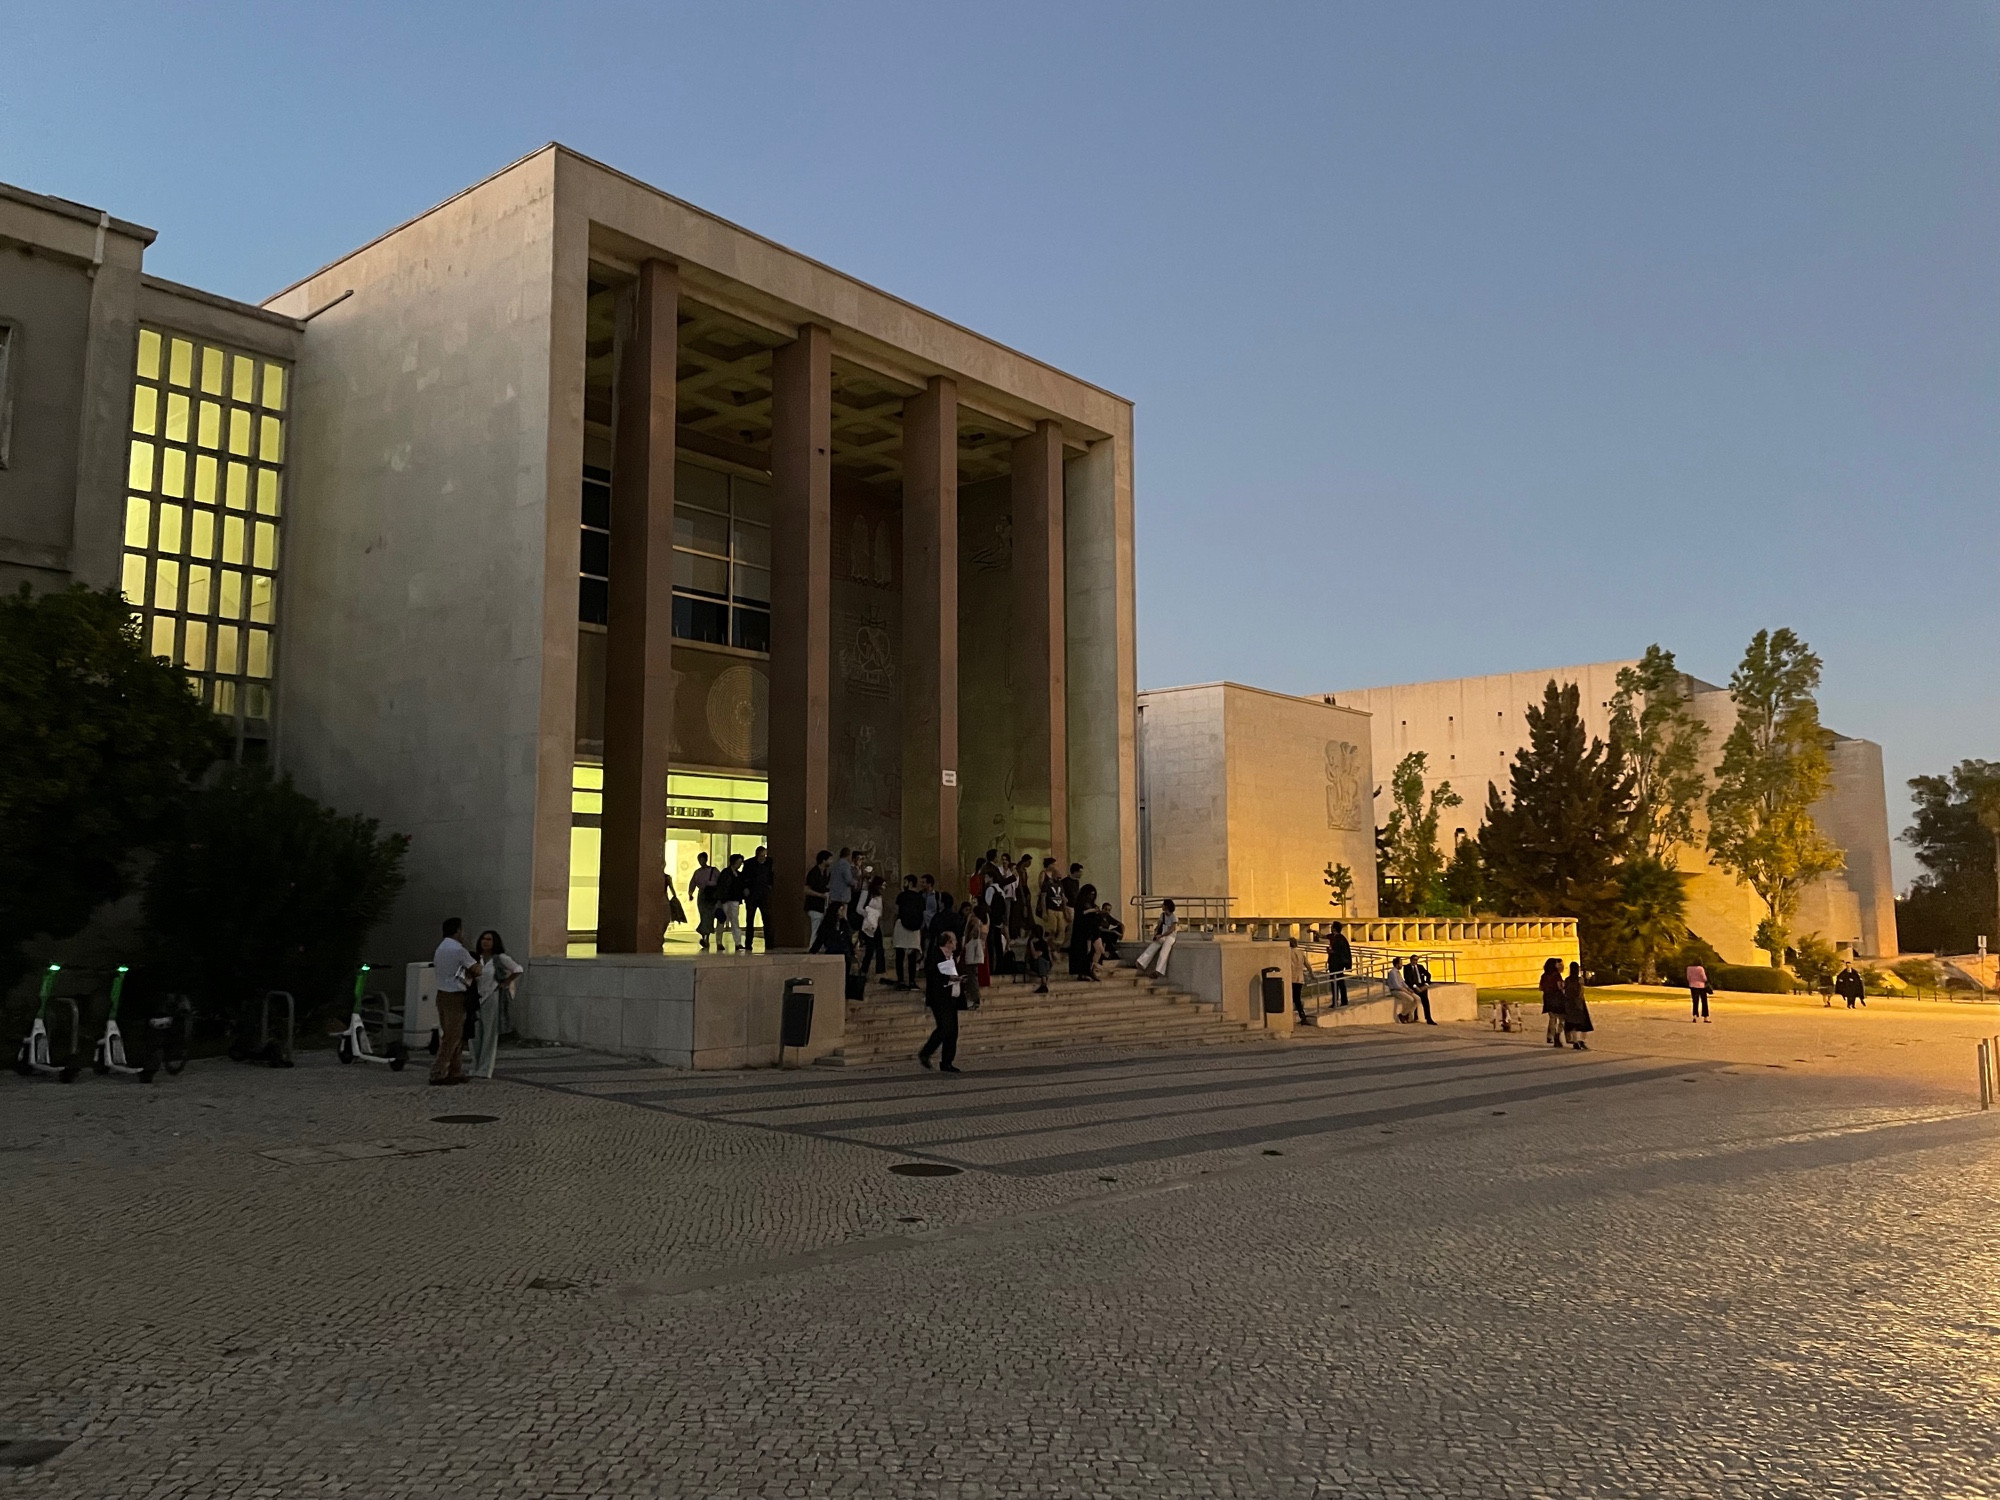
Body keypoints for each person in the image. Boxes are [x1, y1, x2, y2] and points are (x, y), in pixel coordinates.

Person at [468, 929, 523, 1080]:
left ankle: (485, 1069)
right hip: (475, 997)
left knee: (489, 1034)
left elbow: (518, 969)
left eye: (489, 939)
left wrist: (506, 982)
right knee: (474, 1034)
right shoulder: (475, 958)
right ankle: (474, 1065)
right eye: (483, 939)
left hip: (491, 996)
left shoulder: (500, 959)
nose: (485, 942)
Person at [430, 917, 478, 1086]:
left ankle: (455, 1070)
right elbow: (476, 969)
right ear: (457, 930)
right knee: (453, 1036)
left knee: (452, 1033)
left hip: (442, 994)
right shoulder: (459, 950)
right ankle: (439, 1071)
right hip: (456, 996)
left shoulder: (440, 948)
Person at [916, 930, 964, 1073]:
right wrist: (949, 979)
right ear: (948, 942)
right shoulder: (936, 955)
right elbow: (933, 976)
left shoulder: (952, 957)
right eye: (954, 940)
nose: (956, 943)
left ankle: (947, 1062)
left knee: (953, 1031)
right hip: (939, 998)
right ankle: (926, 1052)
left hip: (952, 997)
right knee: (944, 1027)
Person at [892, 875, 927, 989]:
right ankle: (912, 981)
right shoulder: (920, 897)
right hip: (915, 929)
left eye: (905, 882)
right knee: (912, 957)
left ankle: (901, 980)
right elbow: (923, 913)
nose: (904, 884)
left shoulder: (901, 896)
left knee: (900, 955)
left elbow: (896, 911)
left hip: (901, 926)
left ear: (910, 883)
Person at [742, 845, 774, 951]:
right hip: (752, 894)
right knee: (750, 919)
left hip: (764, 894)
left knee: (767, 919)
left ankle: (769, 943)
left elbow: (771, 876)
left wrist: (769, 887)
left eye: (764, 855)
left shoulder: (769, 863)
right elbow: (744, 878)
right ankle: (748, 943)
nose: (763, 858)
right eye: (761, 856)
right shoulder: (749, 864)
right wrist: (746, 888)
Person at [1136, 900, 1178, 979]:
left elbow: (1172, 929)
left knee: (1164, 952)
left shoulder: (1173, 917)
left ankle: (1158, 971)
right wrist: (1156, 934)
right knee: (1154, 946)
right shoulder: (1162, 915)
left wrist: (1161, 935)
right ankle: (1141, 962)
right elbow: (1159, 925)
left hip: (1170, 936)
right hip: (1162, 935)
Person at [855, 875, 886, 978]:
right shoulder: (866, 893)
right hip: (867, 924)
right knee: (870, 948)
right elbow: (859, 908)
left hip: (875, 924)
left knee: (880, 947)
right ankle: (864, 970)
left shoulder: (879, 897)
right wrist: (868, 916)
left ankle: (880, 971)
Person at [689, 852, 721, 951]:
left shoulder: (714, 871)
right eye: (699, 860)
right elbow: (692, 883)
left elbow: (720, 882)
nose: (701, 862)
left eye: (702, 859)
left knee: (709, 915)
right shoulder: (697, 872)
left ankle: (705, 936)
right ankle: (705, 936)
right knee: (703, 915)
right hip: (702, 895)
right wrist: (690, 893)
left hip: (711, 895)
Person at [717, 852, 747, 953]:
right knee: (722, 921)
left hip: (734, 899)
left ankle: (738, 942)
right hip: (725, 900)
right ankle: (719, 941)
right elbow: (721, 887)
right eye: (738, 862)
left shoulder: (739, 874)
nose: (739, 864)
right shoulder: (725, 873)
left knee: (735, 920)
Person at [1069, 886, 1101, 979]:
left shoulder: (1092, 904)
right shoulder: (1080, 904)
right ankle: (1085, 972)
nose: (1092, 896)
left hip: (1092, 930)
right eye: (1090, 894)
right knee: (1086, 951)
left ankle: (1092, 969)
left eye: (1093, 894)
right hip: (1083, 931)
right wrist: (1092, 910)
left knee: (1098, 950)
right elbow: (1080, 914)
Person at [804, 850, 832, 948]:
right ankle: (813, 947)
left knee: (820, 928)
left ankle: (818, 946)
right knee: (816, 928)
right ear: (824, 860)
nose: (831, 861)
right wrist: (820, 895)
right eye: (829, 859)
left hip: (822, 905)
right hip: (814, 905)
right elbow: (806, 890)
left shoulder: (825, 873)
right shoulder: (814, 873)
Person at [1563, 961, 1593, 1050]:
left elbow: (1566, 991)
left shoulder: (1567, 980)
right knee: (1584, 1023)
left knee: (1572, 1023)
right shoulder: (1580, 980)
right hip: (1579, 1003)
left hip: (1569, 1003)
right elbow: (1580, 992)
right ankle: (1582, 1040)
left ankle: (1575, 1041)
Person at [1384, 957, 1420, 1023]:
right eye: (1400, 963)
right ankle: (1403, 1015)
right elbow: (1397, 986)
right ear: (1397, 964)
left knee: (1417, 999)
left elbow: (1402, 982)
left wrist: (1408, 989)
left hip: (1401, 989)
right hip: (1395, 990)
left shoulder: (1398, 973)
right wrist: (1406, 991)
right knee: (1410, 999)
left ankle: (1407, 1014)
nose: (1402, 965)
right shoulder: (1393, 973)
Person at [1539, 958, 1566, 1047]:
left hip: (1547, 998)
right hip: (1557, 998)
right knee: (1562, 1019)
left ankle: (1553, 1036)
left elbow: (1540, 987)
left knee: (1552, 1018)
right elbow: (1560, 987)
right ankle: (1558, 1034)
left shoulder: (1544, 975)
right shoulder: (1556, 975)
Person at [1326, 921, 1353, 1007]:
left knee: (1339, 982)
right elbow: (1324, 936)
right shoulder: (1334, 937)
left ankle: (1343, 1001)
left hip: (1338, 964)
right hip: (1333, 963)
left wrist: (1331, 951)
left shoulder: (1340, 939)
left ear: (1334, 928)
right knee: (1334, 982)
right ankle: (1335, 1002)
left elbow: (1341, 952)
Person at [1405, 955, 1437, 1026]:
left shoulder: (1420, 967)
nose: (1415, 961)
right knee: (1415, 1000)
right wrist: (1415, 987)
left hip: (1422, 986)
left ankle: (1428, 1018)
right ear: (1411, 960)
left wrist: (1426, 984)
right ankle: (1414, 1017)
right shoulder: (1407, 968)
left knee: (1425, 1001)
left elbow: (1428, 975)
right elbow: (1408, 979)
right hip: (1413, 987)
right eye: (1414, 960)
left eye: (1416, 960)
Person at [828, 846, 856, 919]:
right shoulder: (845, 865)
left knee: (834, 916)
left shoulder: (835, 865)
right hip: (842, 897)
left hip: (833, 895)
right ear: (849, 855)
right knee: (842, 917)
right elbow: (849, 880)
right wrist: (855, 882)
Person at [1287, 935, 1308, 1023]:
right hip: (1299, 978)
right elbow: (1307, 964)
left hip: (1291, 978)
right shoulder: (1301, 952)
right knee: (1297, 998)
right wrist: (1311, 974)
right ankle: (1302, 1015)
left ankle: (1297, 1015)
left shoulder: (1287, 952)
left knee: (1291, 998)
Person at [1026, 929, 1053, 994]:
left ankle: (1043, 983)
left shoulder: (1043, 943)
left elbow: (1035, 956)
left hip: (1044, 964)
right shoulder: (1030, 943)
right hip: (1035, 965)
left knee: (1041, 960)